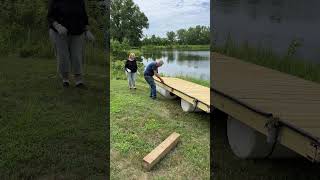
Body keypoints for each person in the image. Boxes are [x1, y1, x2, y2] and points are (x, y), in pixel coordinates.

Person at [47, 0, 95, 88]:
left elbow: (84, 17)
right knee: (63, 55)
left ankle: (79, 81)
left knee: (76, 55)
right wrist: (57, 26)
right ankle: (65, 79)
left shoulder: (80, 1)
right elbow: (50, 17)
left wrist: (87, 30)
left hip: (78, 31)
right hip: (59, 32)